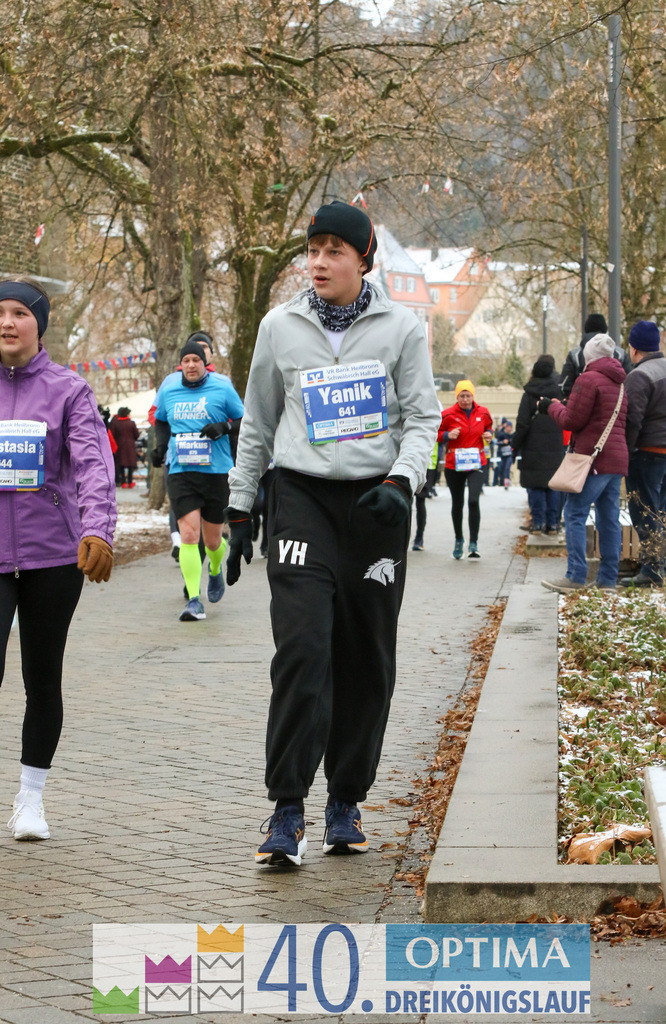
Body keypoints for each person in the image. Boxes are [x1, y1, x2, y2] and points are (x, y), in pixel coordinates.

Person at [226, 200, 440, 866]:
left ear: (362, 259)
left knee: (364, 657)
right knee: (303, 648)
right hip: (300, 501)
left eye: (333, 251)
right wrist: (239, 509)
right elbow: (258, 423)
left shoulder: (401, 329)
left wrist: (400, 482)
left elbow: (421, 419)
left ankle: (345, 799)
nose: (317, 262)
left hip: (375, 506)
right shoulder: (278, 327)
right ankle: (286, 808)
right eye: (311, 249)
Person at [0, 277, 116, 840]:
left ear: (38, 324)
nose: (6, 322)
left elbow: (94, 465)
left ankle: (30, 799)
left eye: (19, 312)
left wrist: (98, 529)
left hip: (52, 556)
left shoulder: (70, 390)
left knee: (42, 678)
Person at [151, 339, 243, 621]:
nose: (191, 365)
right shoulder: (169, 388)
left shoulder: (222, 386)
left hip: (216, 471)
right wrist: (159, 447)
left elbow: (243, 419)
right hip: (181, 471)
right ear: (181, 364)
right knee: (189, 536)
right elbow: (162, 421)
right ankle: (193, 599)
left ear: (205, 363)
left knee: (213, 541)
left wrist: (223, 427)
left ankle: (216, 568)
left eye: (196, 361)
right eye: (186, 361)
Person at [539, 334, 628, 594]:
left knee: (574, 513)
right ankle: (608, 580)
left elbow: (571, 421)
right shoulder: (621, 383)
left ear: (588, 356)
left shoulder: (587, 379)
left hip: (594, 459)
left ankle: (576, 576)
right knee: (609, 519)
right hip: (616, 460)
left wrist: (551, 407)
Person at [619, 321, 666, 588]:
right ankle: (661, 566)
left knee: (644, 511)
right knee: (659, 511)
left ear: (634, 349)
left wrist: (627, 451)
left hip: (648, 454)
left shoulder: (639, 375)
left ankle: (652, 570)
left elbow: (633, 419)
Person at [438, 380, 493, 559]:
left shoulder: (483, 412)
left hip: (476, 462)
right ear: (457, 397)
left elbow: (489, 427)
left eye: (468, 395)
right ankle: (459, 539)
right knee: (458, 503)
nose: (465, 399)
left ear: (473, 395)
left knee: (473, 501)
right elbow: (433, 434)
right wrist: (447, 435)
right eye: (461, 395)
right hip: (454, 464)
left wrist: (489, 435)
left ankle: (474, 542)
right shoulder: (447, 415)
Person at [512, 355, 565, 535]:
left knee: (536, 486)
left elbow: (522, 423)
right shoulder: (559, 393)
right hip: (555, 445)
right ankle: (553, 524)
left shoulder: (529, 395)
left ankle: (538, 523)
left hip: (533, 446)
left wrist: (515, 446)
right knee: (553, 485)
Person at [560, 313, 632, 399]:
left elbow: (565, 385)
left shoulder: (575, 355)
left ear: (586, 329)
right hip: (614, 405)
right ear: (605, 329)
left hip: (582, 405)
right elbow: (629, 382)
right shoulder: (620, 354)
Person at [412, 440, 439, 551]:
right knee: (405, 501)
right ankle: (403, 536)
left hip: (427, 462)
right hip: (406, 460)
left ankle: (419, 537)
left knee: (420, 500)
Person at [109, 406, 139, 488]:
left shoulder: (116, 423)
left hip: (120, 446)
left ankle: (123, 482)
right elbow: (137, 435)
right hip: (130, 446)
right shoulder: (131, 423)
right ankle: (130, 482)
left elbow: (113, 434)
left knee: (121, 464)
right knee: (130, 465)